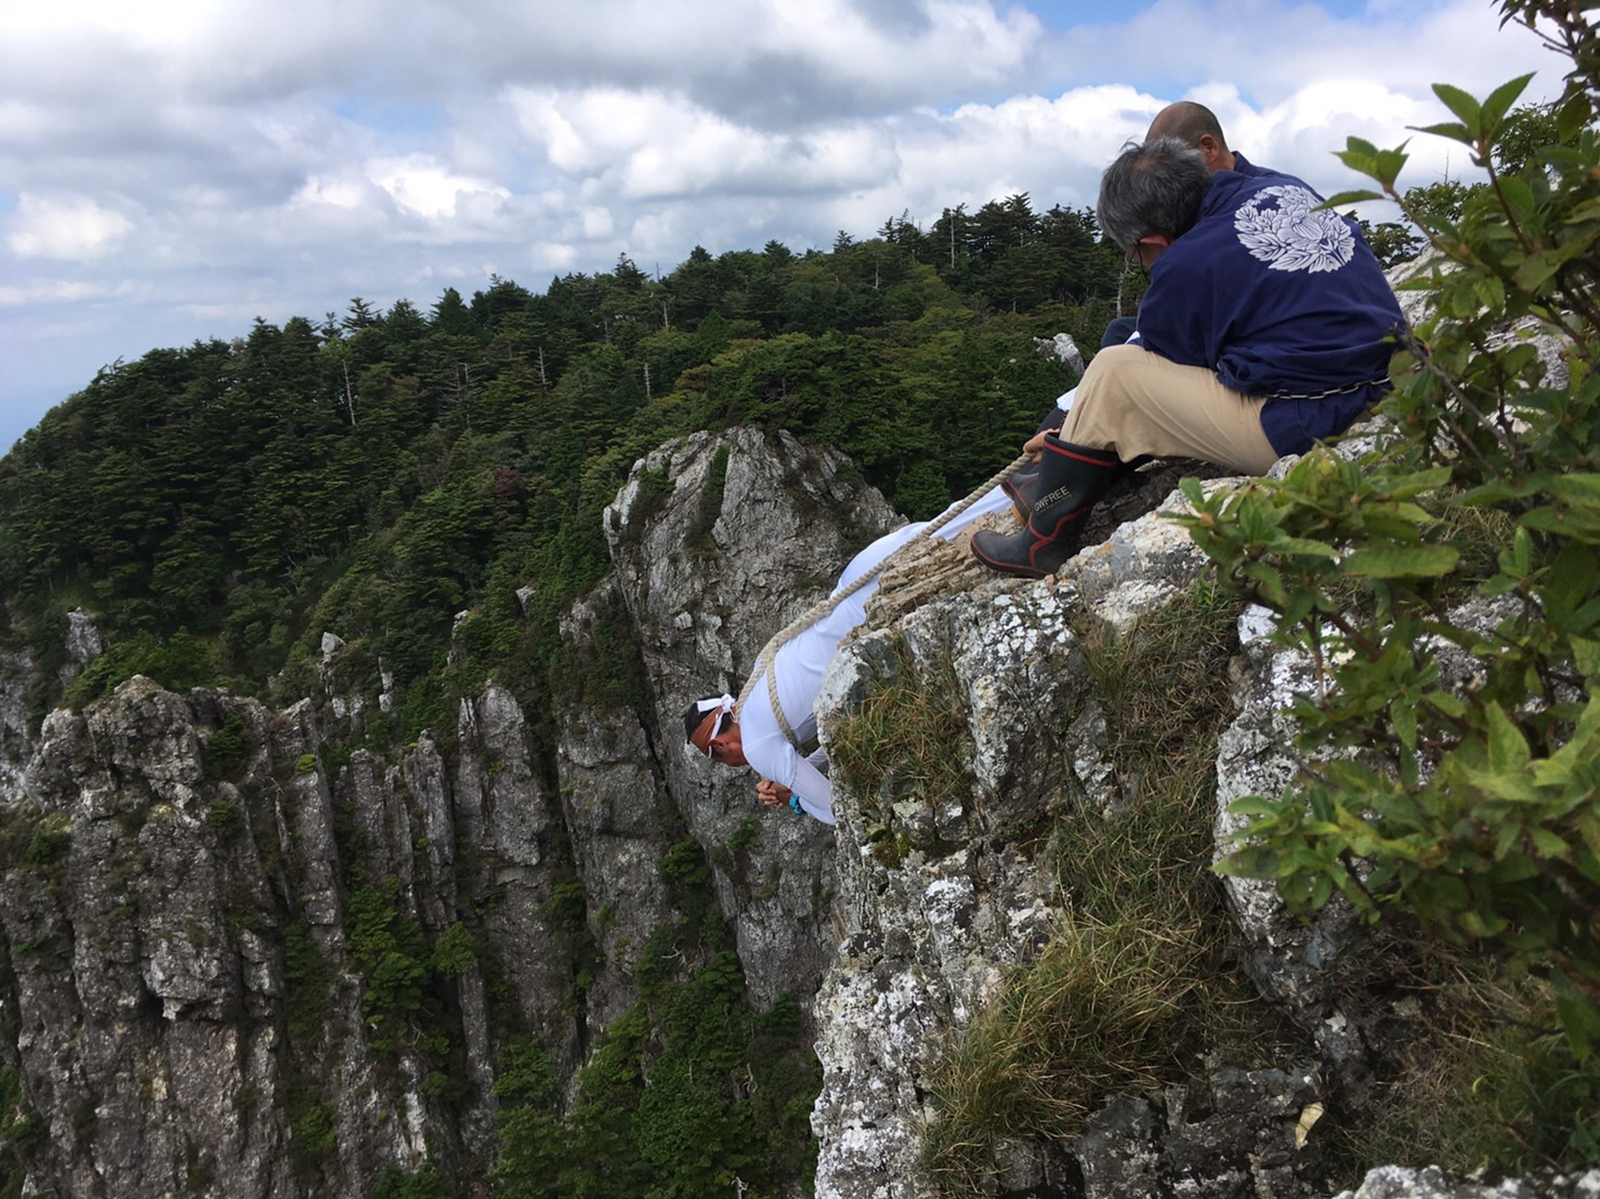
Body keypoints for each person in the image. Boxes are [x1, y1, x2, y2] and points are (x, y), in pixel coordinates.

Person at [973, 135, 1403, 579]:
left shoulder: (1184, 267)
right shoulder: (1278, 186)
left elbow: (1145, 383)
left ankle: (1043, 541)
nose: (1140, 262)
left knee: (1112, 371)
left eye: (1136, 254)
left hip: (1318, 415)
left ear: (1154, 239)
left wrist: (1073, 430)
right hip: (1395, 375)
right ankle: (1068, 484)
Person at [686, 487, 1011, 824]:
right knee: (977, 508)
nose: (725, 762)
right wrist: (790, 783)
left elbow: (832, 807)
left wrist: (795, 795)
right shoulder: (758, 683)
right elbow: (833, 728)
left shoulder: (757, 748)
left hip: (873, 605)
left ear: (721, 745)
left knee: (997, 523)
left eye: (717, 757)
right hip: (859, 578)